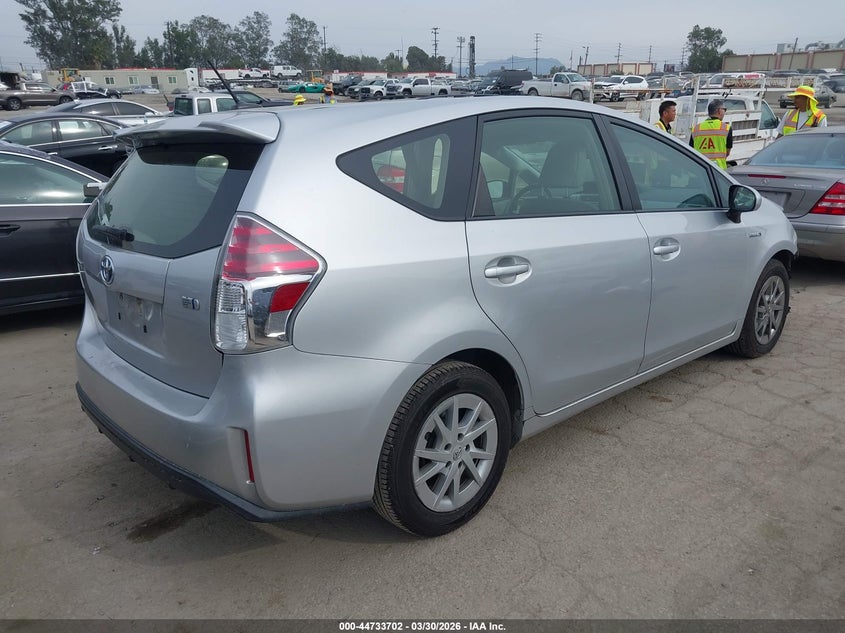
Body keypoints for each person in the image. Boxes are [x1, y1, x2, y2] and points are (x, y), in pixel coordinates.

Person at [689, 99, 732, 169]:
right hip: (719, 170)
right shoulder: (726, 128)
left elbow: (691, 150)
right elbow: (727, 152)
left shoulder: (696, 129)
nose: (725, 112)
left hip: (699, 168)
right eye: (725, 109)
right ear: (719, 111)